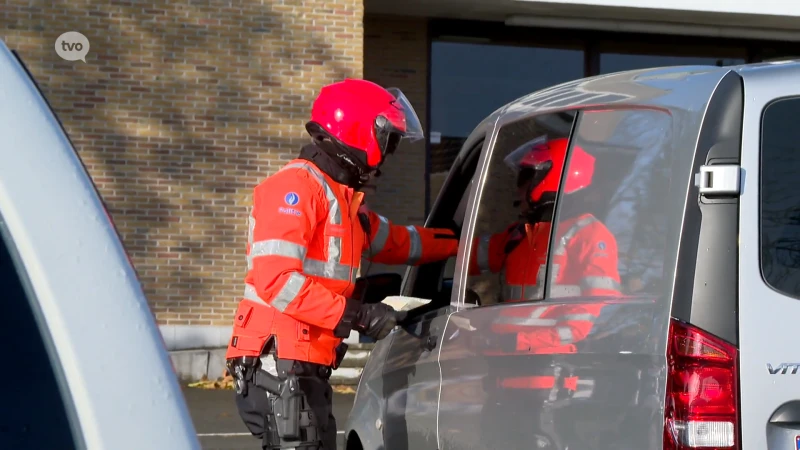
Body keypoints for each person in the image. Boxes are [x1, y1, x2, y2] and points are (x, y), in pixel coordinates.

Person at [225, 79, 460, 450]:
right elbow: (278, 281)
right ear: (358, 130)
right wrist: (360, 316)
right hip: (278, 359)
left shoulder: (345, 203)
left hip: (302, 363)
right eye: (389, 138)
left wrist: (476, 247)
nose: (390, 150)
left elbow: (404, 242)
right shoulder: (296, 189)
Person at [468, 136, 622, 304]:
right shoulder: (521, 235)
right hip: (501, 330)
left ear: (550, 178)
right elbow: (466, 255)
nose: (518, 190)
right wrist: (436, 244)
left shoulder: (589, 235)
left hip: (542, 331)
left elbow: (597, 308)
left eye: (524, 179)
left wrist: (532, 333)